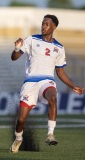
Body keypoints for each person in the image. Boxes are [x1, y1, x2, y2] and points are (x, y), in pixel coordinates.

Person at [9, 14, 84, 153]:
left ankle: (50, 134)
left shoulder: (59, 48)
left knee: (53, 97)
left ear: (54, 27)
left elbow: (60, 72)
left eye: (47, 24)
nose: (43, 26)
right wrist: (17, 49)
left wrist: (73, 85)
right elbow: (14, 58)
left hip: (47, 81)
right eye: (42, 23)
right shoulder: (31, 39)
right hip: (30, 83)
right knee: (21, 120)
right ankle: (18, 139)